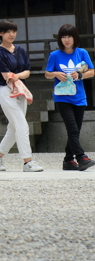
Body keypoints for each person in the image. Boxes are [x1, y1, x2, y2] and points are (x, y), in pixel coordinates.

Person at [0, 20, 43, 172]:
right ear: (1, 34)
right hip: (6, 91)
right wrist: (16, 76)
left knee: (13, 128)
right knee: (22, 125)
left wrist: (16, 75)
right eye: (7, 31)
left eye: (13, 31)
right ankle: (28, 162)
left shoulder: (20, 50)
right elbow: (6, 76)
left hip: (21, 90)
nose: (11, 34)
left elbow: (27, 72)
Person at [43, 24, 95, 171]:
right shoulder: (55, 55)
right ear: (60, 39)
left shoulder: (82, 52)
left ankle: (67, 160)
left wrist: (80, 75)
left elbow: (92, 72)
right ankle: (81, 157)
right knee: (72, 130)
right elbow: (47, 74)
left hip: (79, 97)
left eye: (69, 36)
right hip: (62, 98)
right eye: (63, 37)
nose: (66, 40)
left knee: (75, 131)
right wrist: (56, 74)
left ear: (74, 38)